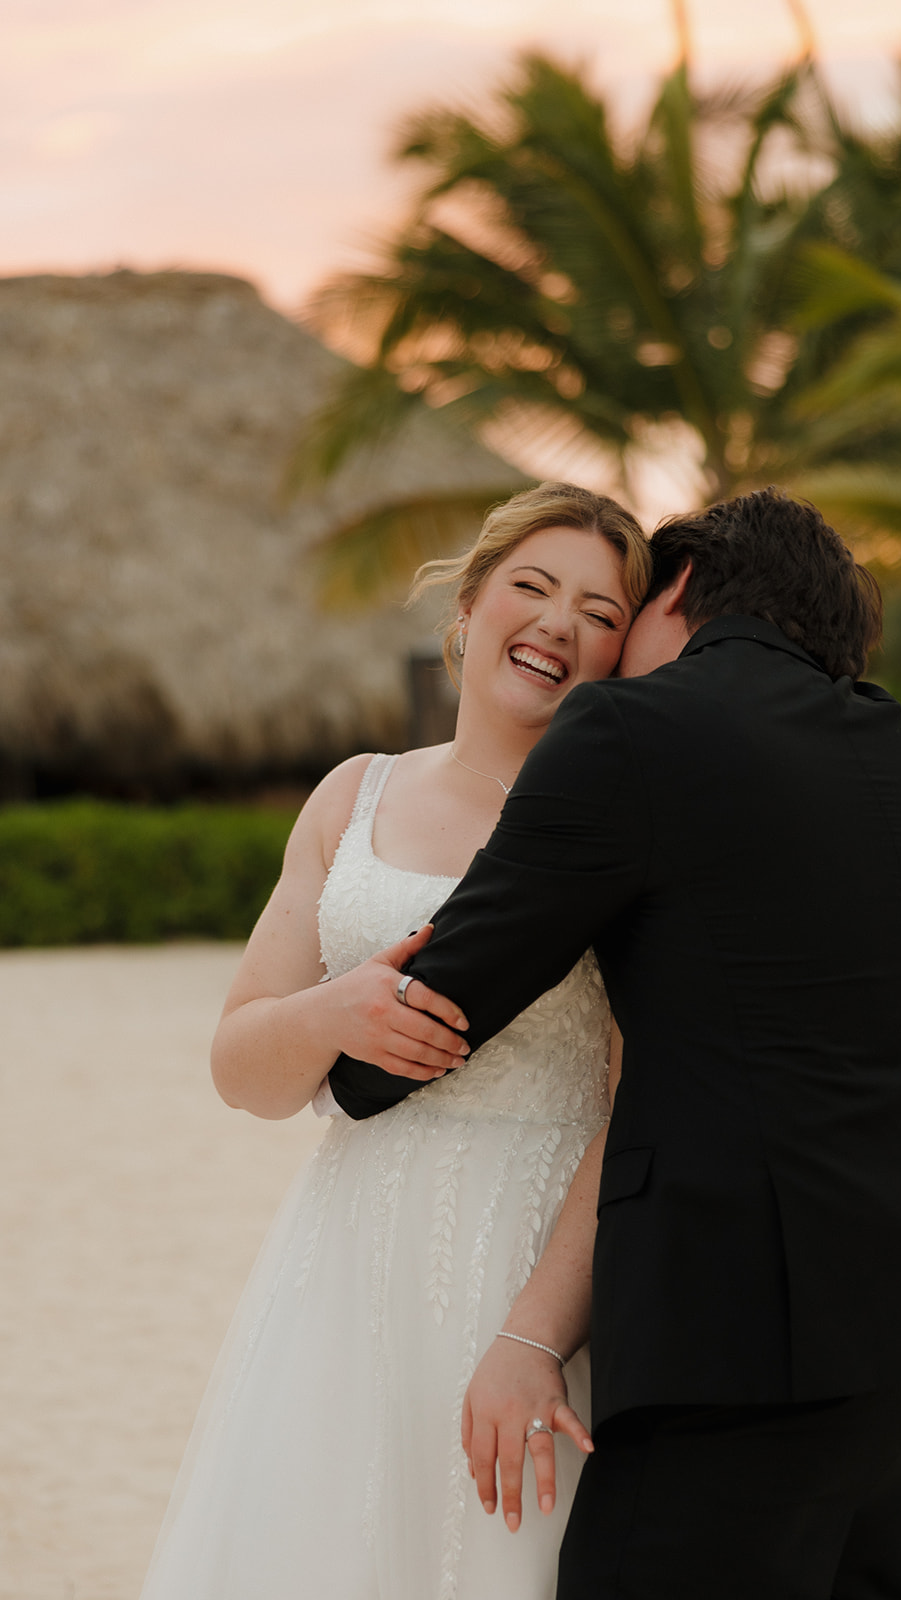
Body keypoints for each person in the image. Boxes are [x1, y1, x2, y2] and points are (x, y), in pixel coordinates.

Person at [330, 487, 901, 1599]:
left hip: (757, 1315)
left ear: (676, 594)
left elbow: (460, 980)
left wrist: (353, 1058)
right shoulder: (880, 732)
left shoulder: (630, 727)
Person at [137, 482, 652, 1600]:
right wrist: (333, 1013)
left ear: (618, 656)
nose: (558, 622)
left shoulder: (622, 831)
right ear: (468, 607)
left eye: (599, 611)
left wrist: (533, 1336)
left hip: (534, 1268)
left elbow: (636, 1100)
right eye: (531, 586)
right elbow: (242, 1071)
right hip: (343, 1260)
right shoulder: (351, 794)